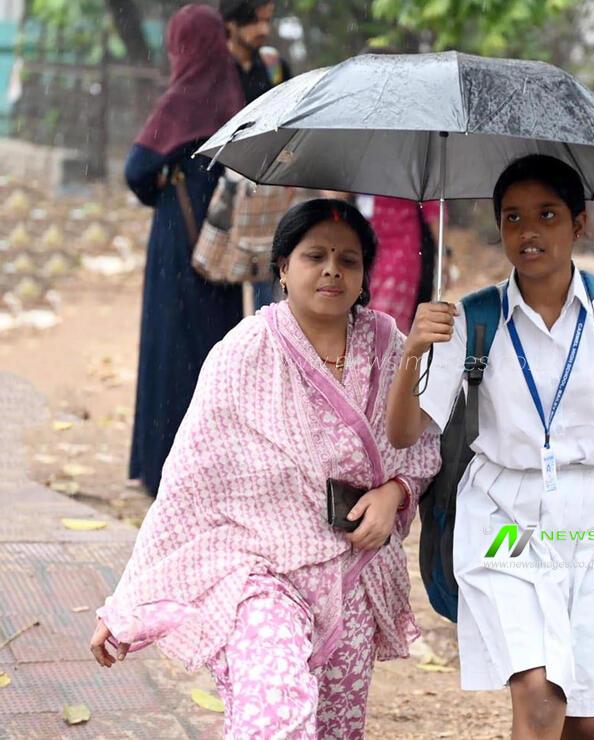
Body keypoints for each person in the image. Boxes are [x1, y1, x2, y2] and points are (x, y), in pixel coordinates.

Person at [90, 199, 441, 739]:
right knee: (274, 715)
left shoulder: (388, 344)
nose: (332, 270)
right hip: (260, 570)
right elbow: (188, 481)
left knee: (336, 727)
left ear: (365, 275)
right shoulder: (244, 352)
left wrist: (395, 492)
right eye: (315, 256)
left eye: (348, 260)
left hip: (352, 571)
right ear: (282, 267)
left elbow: (418, 448)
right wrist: (127, 601)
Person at [386, 155, 594, 739]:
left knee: (586, 721)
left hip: (593, 523)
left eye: (547, 215)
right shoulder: (470, 320)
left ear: (579, 224)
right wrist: (413, 351)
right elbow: (405, 433)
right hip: (504, 519)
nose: (528, 231)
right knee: (539, 693)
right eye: (512, 217)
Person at [126, 5, 245, 496]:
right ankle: (207, 470)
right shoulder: (234, 96)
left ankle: (161, 466)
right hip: (220, 248)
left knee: (168, 347)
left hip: (178, 243)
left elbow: (136, 170)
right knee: (213, 354)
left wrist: (162, 183)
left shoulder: (180, 102)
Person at [220, 0, 293, 311]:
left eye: (268, 20)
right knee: (223, 275)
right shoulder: (215, 68)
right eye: (255, 21)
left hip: (268, 185)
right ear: (231, 23)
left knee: (270, 279)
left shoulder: (274, 66)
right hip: (226, 184)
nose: (264, 29)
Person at [356, 195, 443, 334]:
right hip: (368, 248)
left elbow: (432, 207)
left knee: (389, 321)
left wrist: (443, 253)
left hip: (401, 250)